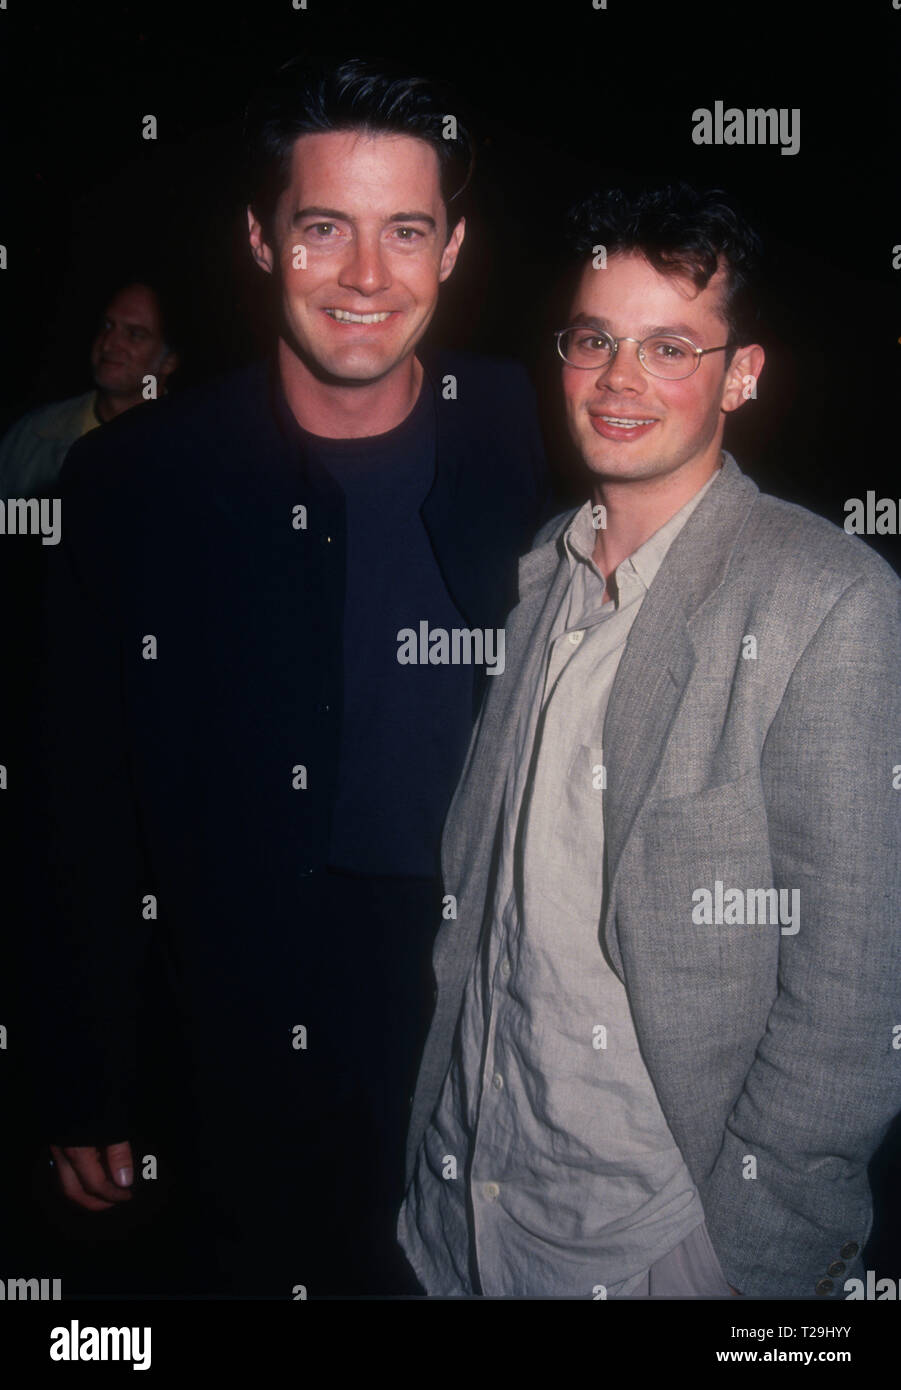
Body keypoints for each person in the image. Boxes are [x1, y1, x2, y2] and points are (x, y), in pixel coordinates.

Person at [22, 57, 546, 1297]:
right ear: (260, 239)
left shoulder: (523, 427)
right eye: (325, 228)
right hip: (227, 1014)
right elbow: (69, 805)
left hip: (482, 991)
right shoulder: (131, 485)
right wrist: (77, 1068)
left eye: (404, 230)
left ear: (453, 247)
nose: (367, 277)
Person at [399, 184, 901, 1300]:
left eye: (669, 347)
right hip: (471, 1199)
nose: (620, 381)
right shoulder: (543, 568)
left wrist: (744, 1245)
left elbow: (857, 995)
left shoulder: (830, 599)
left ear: (741, 374)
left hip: (662, 1244)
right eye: (595, 340)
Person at [0, 281, 178, 497]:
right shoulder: (34, 435)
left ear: (169, 360)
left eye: (135, 334)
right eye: (107, 326)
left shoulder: (189, 448)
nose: (109, 343)